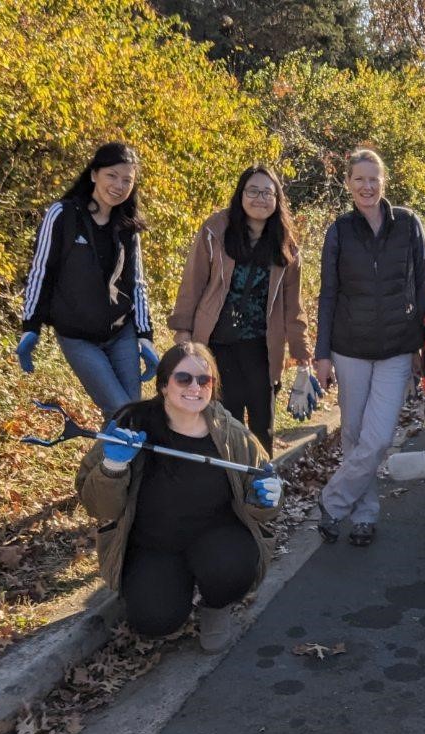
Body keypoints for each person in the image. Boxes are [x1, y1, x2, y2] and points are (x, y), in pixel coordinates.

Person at [76, 342, 283, 653]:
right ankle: (175, 585)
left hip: (217, 538)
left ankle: (216, 606)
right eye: (183, 378)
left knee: (233, 569)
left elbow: (264, 498)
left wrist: (266, 499)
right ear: (163, 384)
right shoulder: (131, 425)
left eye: (205, 380)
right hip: (153, 544)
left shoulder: (232, 435)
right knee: (153, 620)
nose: (195, 387)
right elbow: (97, 506)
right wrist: (113, 466)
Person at [314, 148, 425, 547]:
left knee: (377, 438)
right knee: (354, 434)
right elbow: (328, 295)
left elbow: (421, 288)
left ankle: (331, 501)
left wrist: (420, 345)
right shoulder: (340, 230)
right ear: (348, 183)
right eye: (359, 179)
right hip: (349, 347)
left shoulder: (409, 224)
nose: (367, 186)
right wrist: (322, 354)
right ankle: (364, 515)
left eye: (373, 178)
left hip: (397, 347)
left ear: (385, 182)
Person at [169, 165, 319, 455]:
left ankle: (263, 488)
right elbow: (193, 283)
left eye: (268, 192)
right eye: (253, 191)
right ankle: (229, 488)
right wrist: (183, 334)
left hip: (262, 348)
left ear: (277, 200)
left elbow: (293, 307)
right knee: (225, 422)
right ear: (240, 195)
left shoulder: (285, 246)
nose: (260, 198)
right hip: (216, 344)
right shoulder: (216, 231)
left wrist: (302, 356)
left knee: (264, 425)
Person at [18, 141, 158, 420]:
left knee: (132, 416)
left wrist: (145, 336)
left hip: (121, 334)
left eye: (127, 180)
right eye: (112, 176)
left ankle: (113, 465)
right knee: (121, 411)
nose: (119, 185)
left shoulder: (128, 227)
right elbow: (40, 272)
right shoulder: (63, 215)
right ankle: (104, 466)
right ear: (94, 174)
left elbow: (137, 283)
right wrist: (30, 326)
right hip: (78, 337)